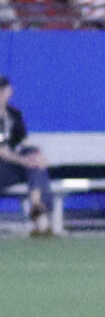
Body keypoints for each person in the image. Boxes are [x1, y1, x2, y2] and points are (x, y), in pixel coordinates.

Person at [0, 76, 61, 236]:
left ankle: (36, 207)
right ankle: (42, 220)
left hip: (11, 166)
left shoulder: (14, 115)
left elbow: (22, 143)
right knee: (34, 165)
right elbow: (2, 151)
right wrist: (25, 160)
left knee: (36, 164)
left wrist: (36, 155)